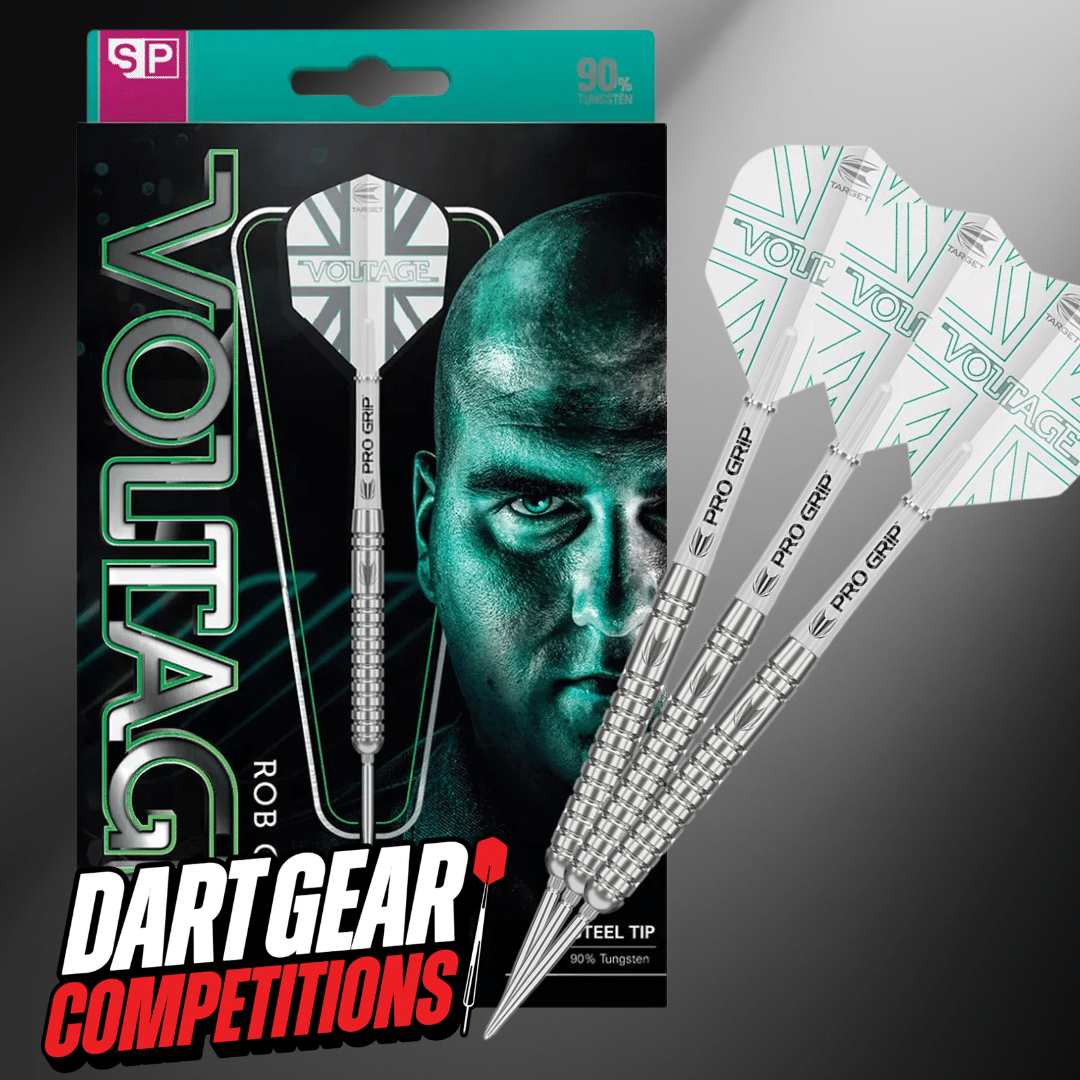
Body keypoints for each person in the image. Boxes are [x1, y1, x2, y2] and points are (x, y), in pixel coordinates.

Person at [378, 193, 666, 914]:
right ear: (429, 533)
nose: (615, 606)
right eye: (537, 505)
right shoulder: (255, 919)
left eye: (698, 510)